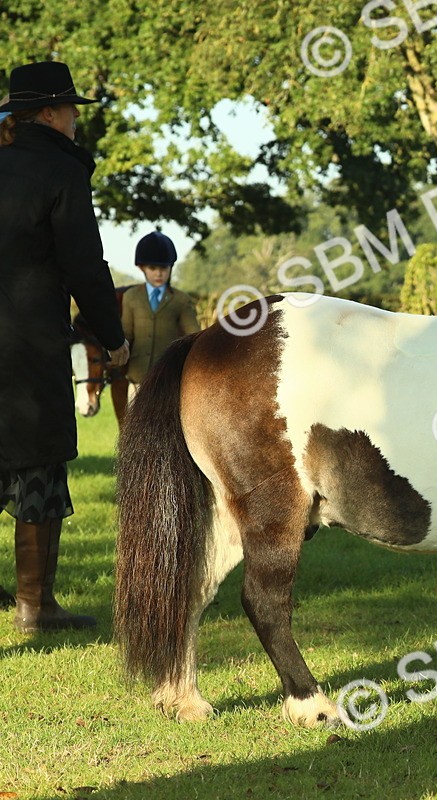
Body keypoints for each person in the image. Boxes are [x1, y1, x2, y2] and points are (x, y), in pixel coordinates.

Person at [0, 61, 129, 631]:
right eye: (72, 110)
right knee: (39, 469)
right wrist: (113, 335)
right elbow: (84, 266)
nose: (77, 120)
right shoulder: (60, 171)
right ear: (50, 114)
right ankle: (35, 605)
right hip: (28, 347)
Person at [121, 230, 200, 404]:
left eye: (163, 268)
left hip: (168, 378)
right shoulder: (131, 297)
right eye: (153, 268)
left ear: (170, 268)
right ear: (142, 267)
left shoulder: (181, 300)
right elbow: (126, 334)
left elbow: (193, 336)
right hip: (137, 378)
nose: (158, 274)